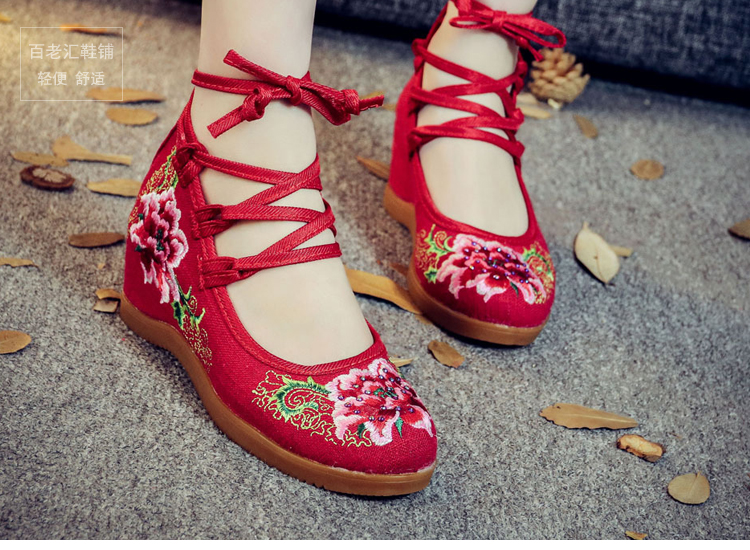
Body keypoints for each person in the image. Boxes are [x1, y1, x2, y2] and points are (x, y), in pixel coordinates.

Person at [120, 0, 564, 495]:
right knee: (254, 80)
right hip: (231, 143)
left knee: (488, 19)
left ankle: (470, 60)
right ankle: (233, 144)